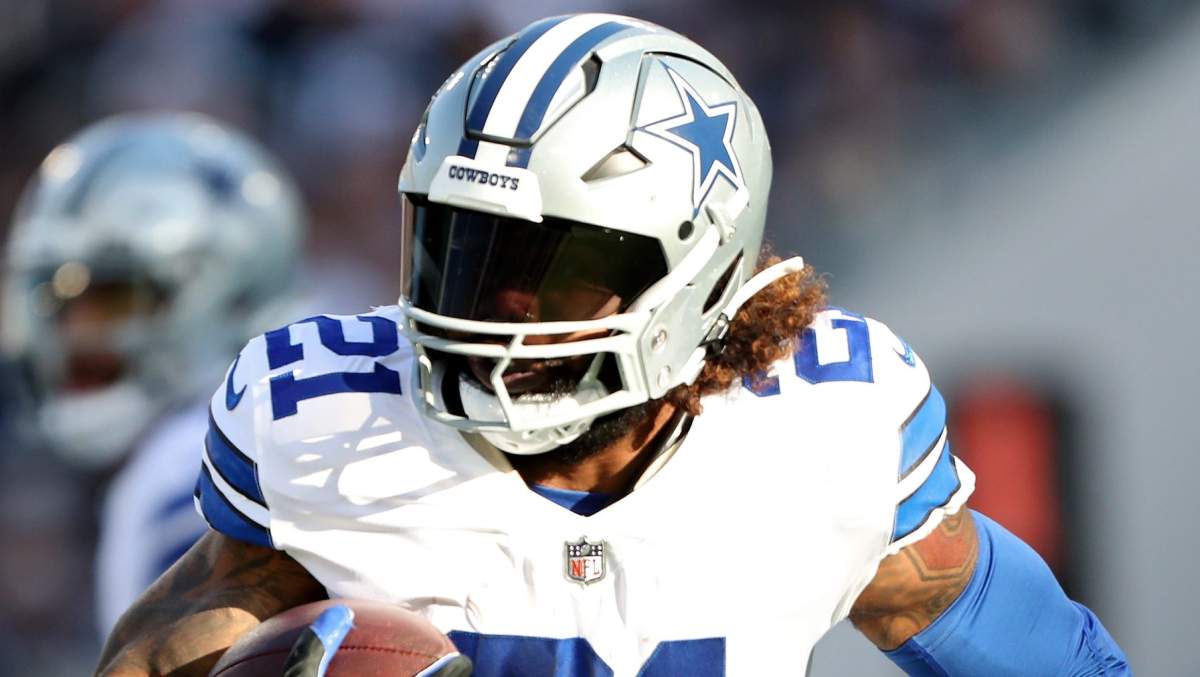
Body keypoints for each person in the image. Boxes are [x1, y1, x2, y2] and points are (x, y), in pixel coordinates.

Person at [95, 15, 1129, 676]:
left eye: (558, 264)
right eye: (470, 248)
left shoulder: (829, 431)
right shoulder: (328, 430)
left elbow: (1054, 660)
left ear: (696, 268)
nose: (498, 305)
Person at [2, 112, 306, 638]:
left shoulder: (194, 476)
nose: (74, 333)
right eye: (59, 300)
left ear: (225, 291)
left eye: (113, 298)